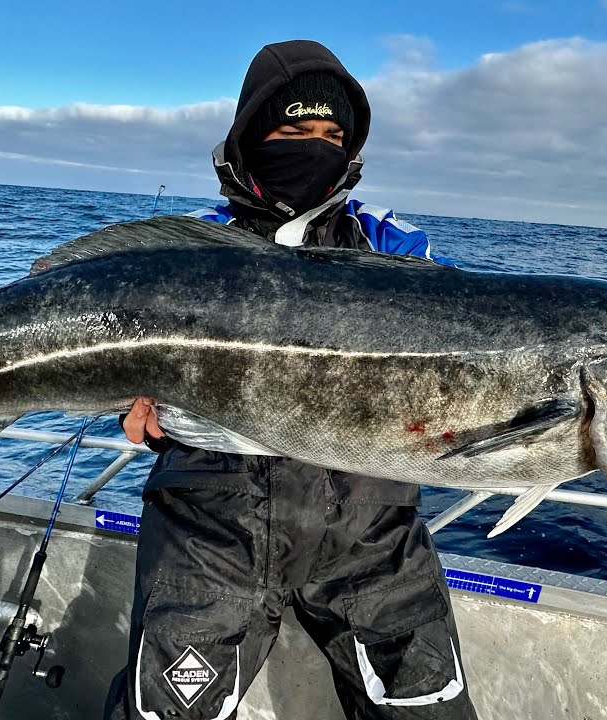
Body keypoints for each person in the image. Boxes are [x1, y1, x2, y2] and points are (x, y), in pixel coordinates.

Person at [104, 40, 477, 720]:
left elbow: (469, 332)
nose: (317, 147)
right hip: (213, 527)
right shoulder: (186, 251)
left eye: (333, 134)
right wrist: (135, 389)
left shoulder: (395, 247)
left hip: (373, 531)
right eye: (294, 130)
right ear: (250, 135)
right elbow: (112, 346)